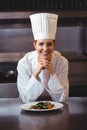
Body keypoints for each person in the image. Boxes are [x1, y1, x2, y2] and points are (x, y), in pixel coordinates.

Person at [17, 13, 69, 103]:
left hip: (55, 107)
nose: (45, 49)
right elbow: (25, 98)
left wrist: (52, 72)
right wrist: (35, 73)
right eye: (41, 44)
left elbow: (62, 98)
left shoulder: (62, 62)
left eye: (49, 44)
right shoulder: (24, 63)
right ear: (35, 45)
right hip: (30, 108)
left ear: (54, 45)